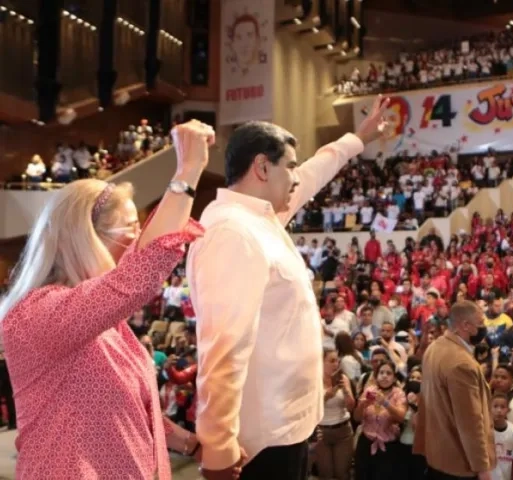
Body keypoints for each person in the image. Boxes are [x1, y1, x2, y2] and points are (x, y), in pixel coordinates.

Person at [187, 97, 390, 480]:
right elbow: (223, 348)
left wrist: (356, 140)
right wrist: (218, 445)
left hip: (285, 426)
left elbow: (313, 174)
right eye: (290, 166)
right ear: (262, 167)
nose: (297, 177)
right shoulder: (233, 233)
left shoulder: (258, 218)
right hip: (261, 439)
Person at [0, 121, 216, 479]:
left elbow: (127, 410)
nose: (138, 240)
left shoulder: (102, 320)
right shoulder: (38, 313)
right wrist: (187, 171)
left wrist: (190, 444)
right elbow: (139, 273)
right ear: (86, 237)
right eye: (130, 228)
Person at [415, 301, 496, 480]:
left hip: (435, 454)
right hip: (459, 463)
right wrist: (482, 468)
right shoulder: (462, 363)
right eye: (480, 323)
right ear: (465, 325)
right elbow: (470, 422)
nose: (484, 327)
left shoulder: (434, 347)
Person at [353, 360, 407, 480]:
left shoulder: (399, 394)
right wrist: (362, 405)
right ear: (376, 376)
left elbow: (401, 417)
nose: (384, 376)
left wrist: (386, 403)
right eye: (381, 373)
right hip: (366, 443)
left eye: (389, 373)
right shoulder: (369, 391)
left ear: (394, 378)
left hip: (388, 447)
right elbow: (356, 418)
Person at [316, 349, 355, 480]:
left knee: (342, 473)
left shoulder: (343, 378)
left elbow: (351, 407)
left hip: (342, 430)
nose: (336, 364)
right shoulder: (315, 381)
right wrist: (327, 396)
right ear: (321, 362)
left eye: (337, 361)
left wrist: (346, 391)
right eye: (332, 361)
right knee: (325, 474)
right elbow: (310, 408)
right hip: (321, 432)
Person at [491, 393, 513, 480]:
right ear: (489, 409)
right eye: (495, 406)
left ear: (508, 410)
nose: (499, 410)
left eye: (502, 407)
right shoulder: (484, 430)